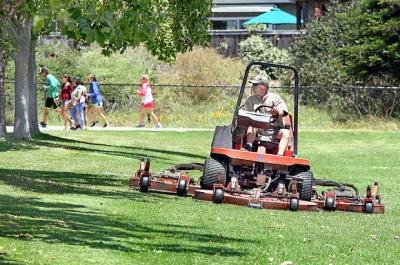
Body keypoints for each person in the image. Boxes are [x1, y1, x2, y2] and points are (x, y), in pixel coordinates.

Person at [243, 75, 290, 156]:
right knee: (251, 127)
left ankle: (280, 154)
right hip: (258, 129)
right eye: (253, 85)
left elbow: (283, 111)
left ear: (264, 86)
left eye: (255, 85)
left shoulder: (275, 98)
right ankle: (248, 147)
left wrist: (277, 113)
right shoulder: (251, 100)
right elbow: (244, 113)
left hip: (275, 131)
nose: (253, 87)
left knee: (286, 132)